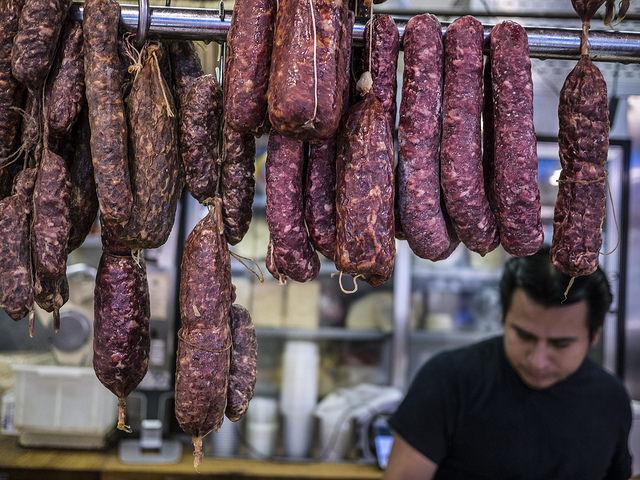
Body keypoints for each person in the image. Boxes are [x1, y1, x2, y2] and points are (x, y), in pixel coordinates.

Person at [385, 246, 633, 480]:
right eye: (524, 336)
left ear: (594, 336)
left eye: (560, 344)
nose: (538, 360)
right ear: (503, 317)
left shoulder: (610, 400)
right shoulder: (448, 380)